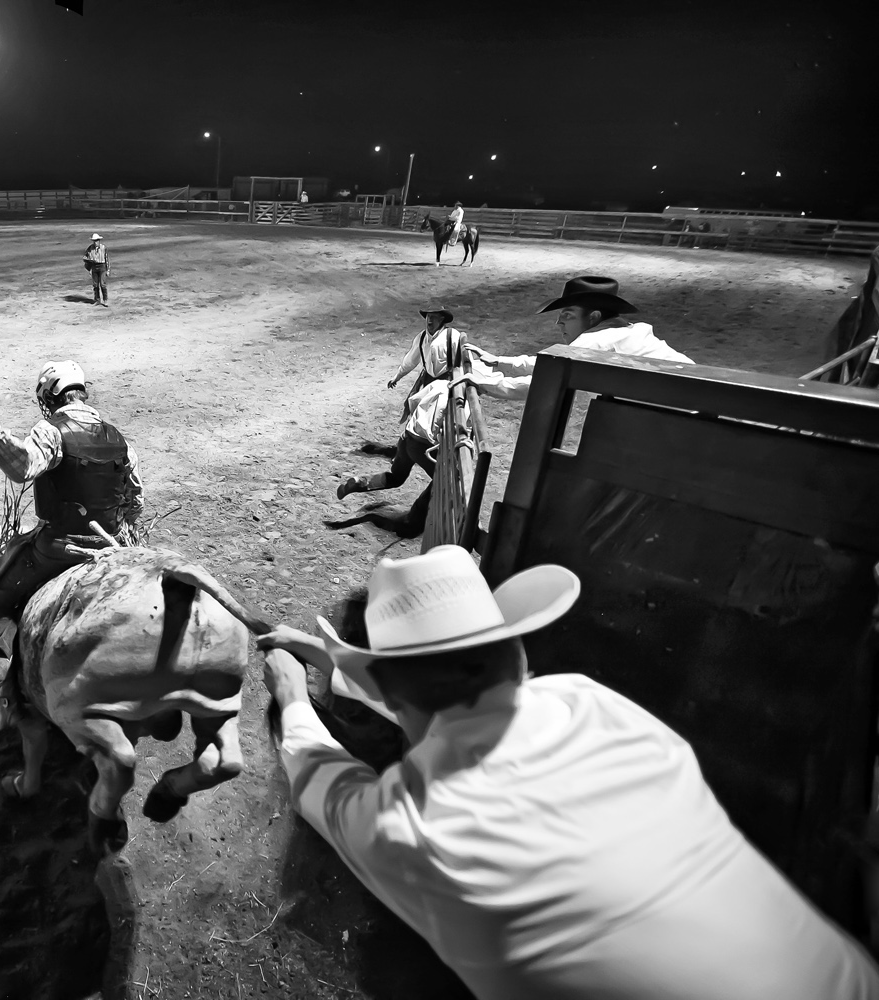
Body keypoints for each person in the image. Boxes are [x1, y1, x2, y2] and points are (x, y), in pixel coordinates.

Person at [257, 545, 879, 1000]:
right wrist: (340, 665)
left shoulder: (411, 827)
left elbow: (317, 775)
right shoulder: (592, 705)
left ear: (390, 687)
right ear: (518, 651)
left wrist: (291, 691)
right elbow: (460, 708)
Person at [0, 361, 143, 729]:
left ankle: (7, 698)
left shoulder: (52, 431)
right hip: (112, 546)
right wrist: (123, 531)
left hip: (58, 549)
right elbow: (135, 500)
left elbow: (23, 467)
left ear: (49, 397)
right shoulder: (118, 438)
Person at [460, 276, 693, 401]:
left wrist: (483, 382)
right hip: (692, 401)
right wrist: (500, 361)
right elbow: (555, 365)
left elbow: (543, 385)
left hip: (682, 411)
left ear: (593, 317)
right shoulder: (629, 331)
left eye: (568, 315)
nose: (559, 323)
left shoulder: (595, 342)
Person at [335, 376, 467, 538]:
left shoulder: (439, 384)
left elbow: (414, 401)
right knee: (444, 479)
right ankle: (415, 518)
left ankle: (361, 482)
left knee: (396, 476)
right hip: (424, 446)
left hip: (407, 437)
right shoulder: (463, 405)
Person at [82, 233, 110, 306]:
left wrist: (108, 270)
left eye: (97, 240)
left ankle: (105, 300)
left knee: (103, 284)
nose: (95, 242)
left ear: (99, 240)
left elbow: (107, 259)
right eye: (94, 241)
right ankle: (97, 300)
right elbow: (84, 257)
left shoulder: (103, 248)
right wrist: (89, 265)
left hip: (102, 266)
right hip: (94, 266)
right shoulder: (90, 248)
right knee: (95, 285)